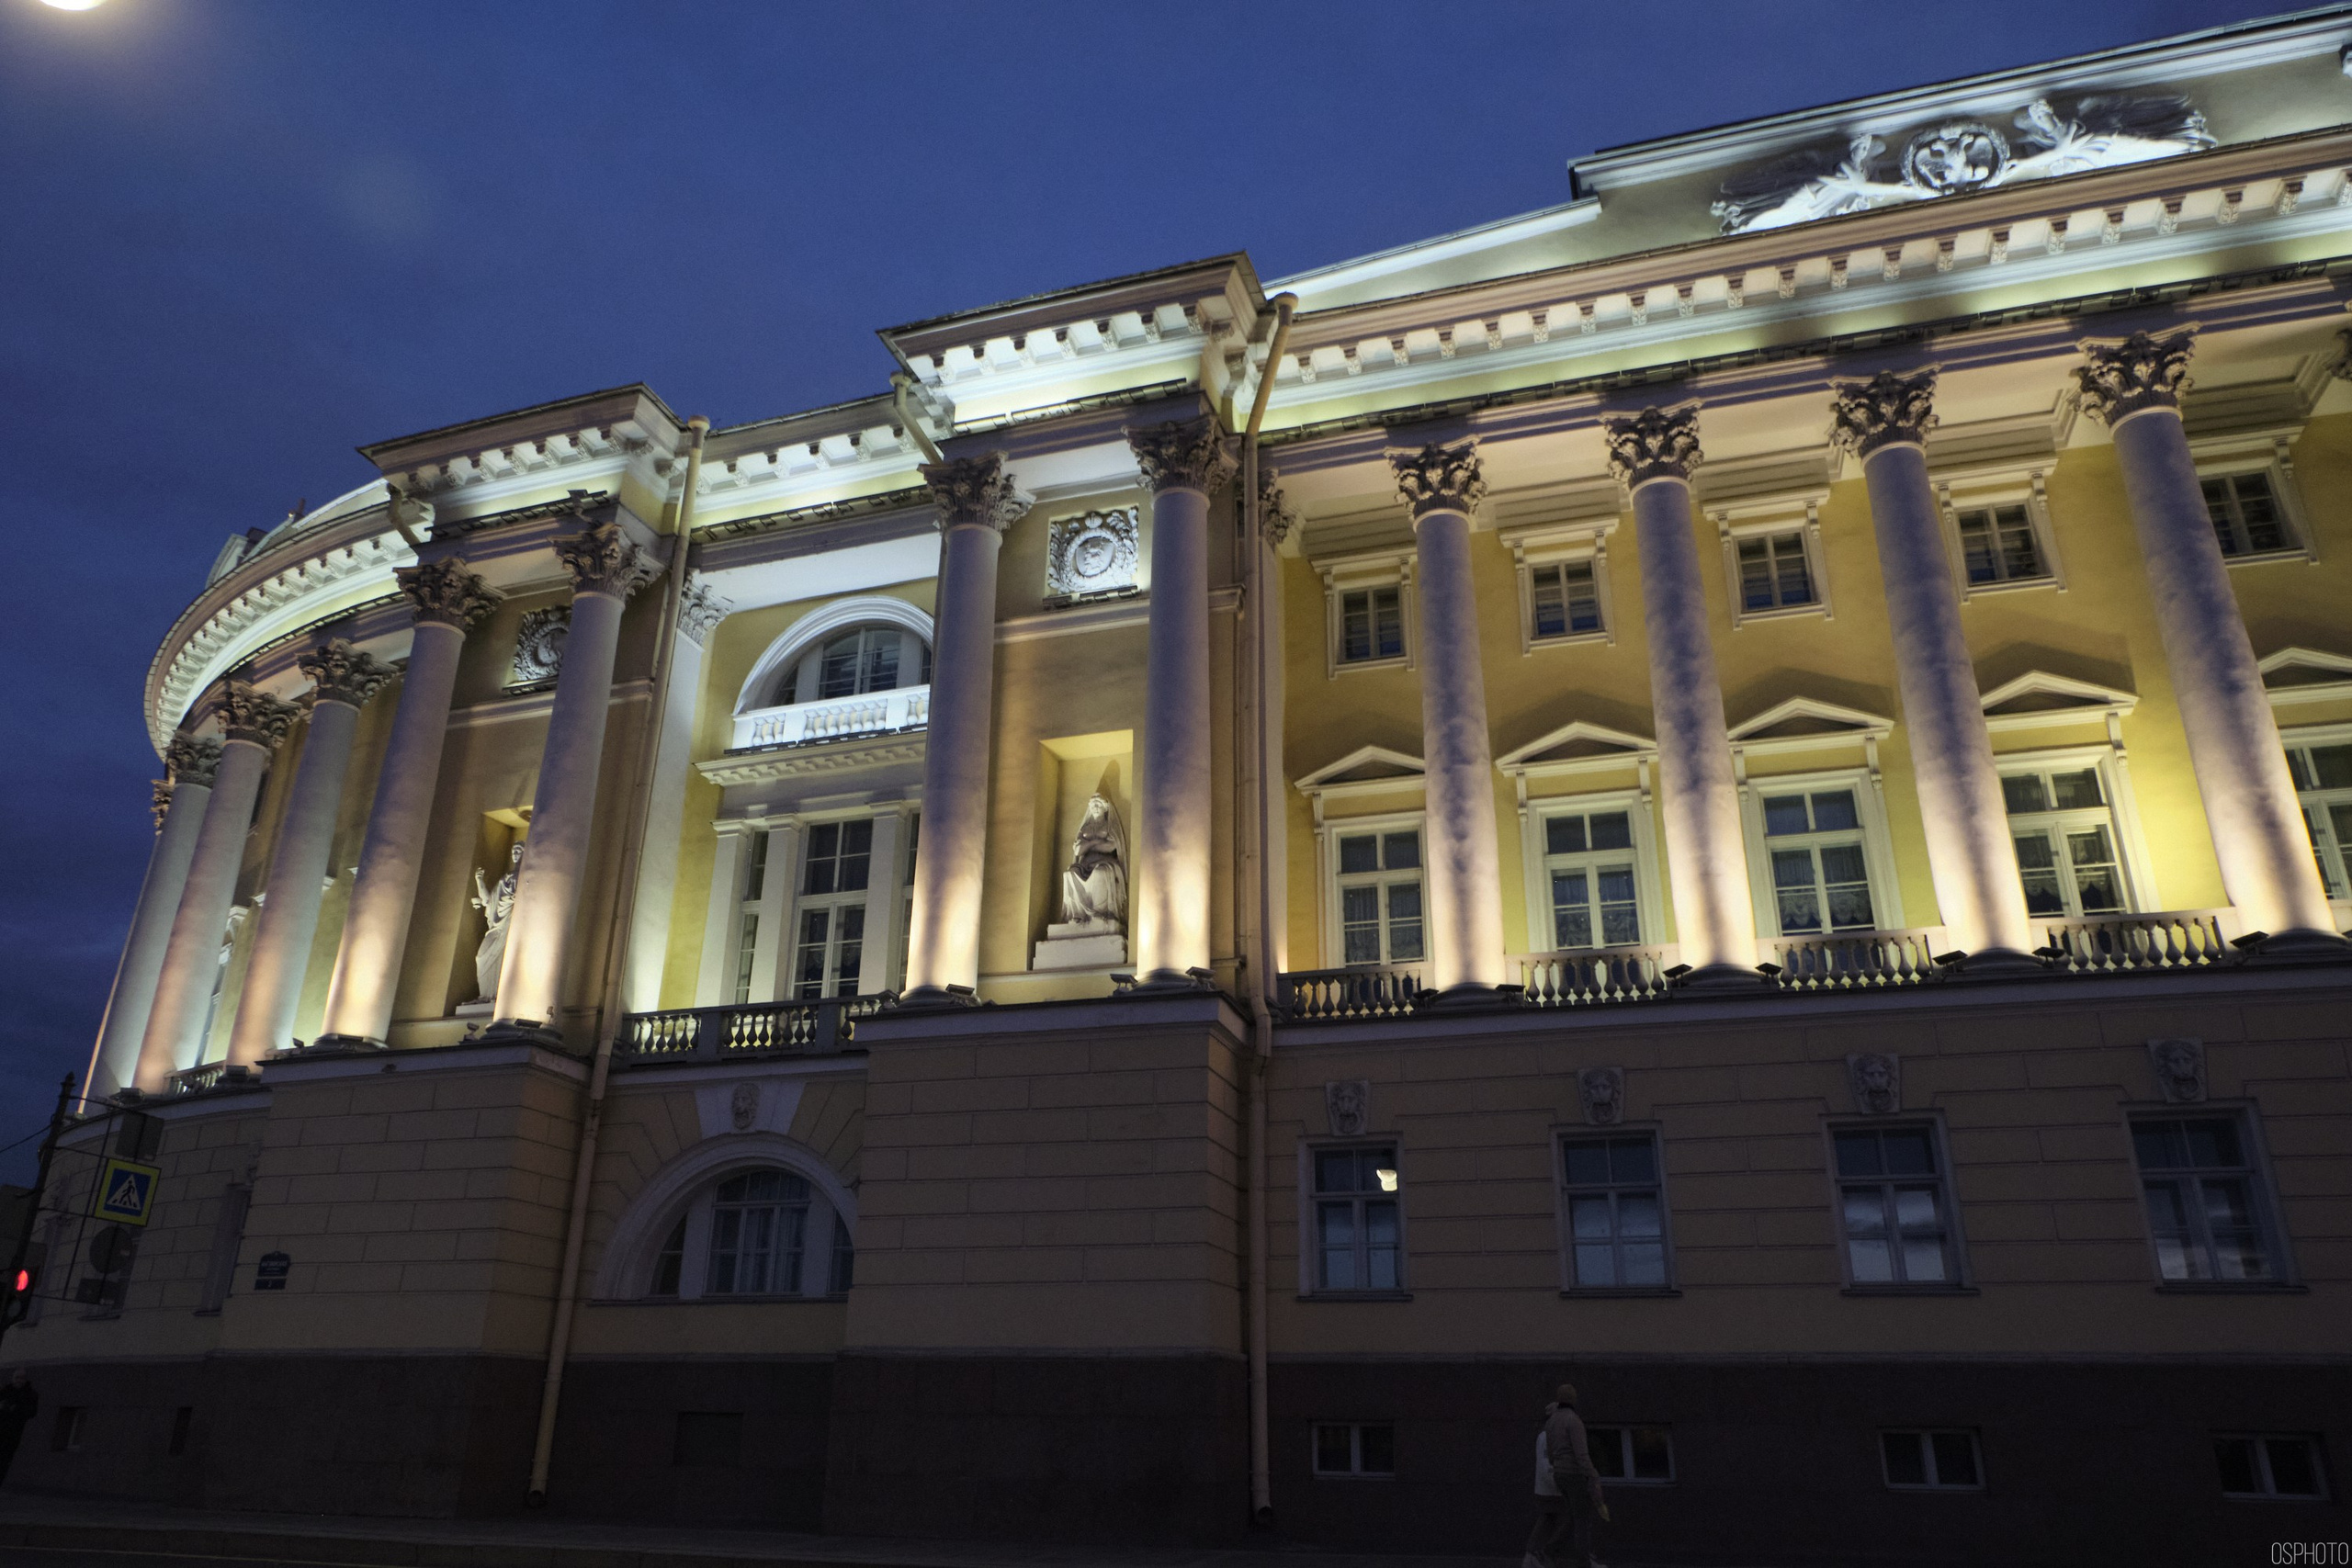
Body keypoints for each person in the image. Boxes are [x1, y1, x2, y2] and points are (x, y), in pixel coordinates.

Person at [1522, 1381, 1604, 1568]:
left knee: (1569, 1517)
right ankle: (1582, 1561)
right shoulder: (1573, 1420)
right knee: (1581, 1520)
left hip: (1559, 1473)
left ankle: (1549, 1551)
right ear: (1573, 1399)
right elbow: (1581, 1454)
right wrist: (1593, 1476)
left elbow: (1551, 1454)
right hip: (1574, 1474)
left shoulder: (1551, 1423)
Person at [0, 1369, 38, 1485]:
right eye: (17, 1377)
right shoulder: (5, 1391)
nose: (19, 1380)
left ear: (26, 1380)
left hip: (13, 1433)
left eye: (22, 1378)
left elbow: (31, 1412)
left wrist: (16, 1409)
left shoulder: (30, 1394)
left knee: (4, 1459)